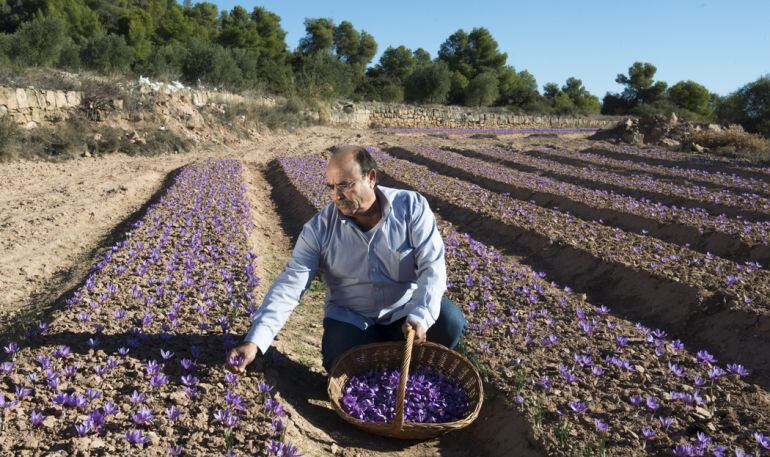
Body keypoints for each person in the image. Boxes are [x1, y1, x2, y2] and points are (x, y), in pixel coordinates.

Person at [226, 145, 467, 374]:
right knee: (339, 359)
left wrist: (421, 316)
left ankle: (409, 366)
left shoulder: (411, 207)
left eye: (345, 185)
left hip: (403, 311)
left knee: (449, 322)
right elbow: (291, 283)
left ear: (371, 178)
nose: (336, 195)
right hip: (353, 318)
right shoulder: (319, 229)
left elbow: (432, 266)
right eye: (330, 187)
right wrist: (255, 341)